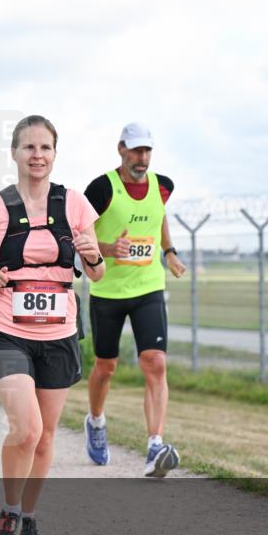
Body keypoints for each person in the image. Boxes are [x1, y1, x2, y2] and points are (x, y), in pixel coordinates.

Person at [0, 115, 105, 535]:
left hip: (60, 333)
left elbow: (97, 273)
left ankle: (29, 517)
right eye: (29, 147)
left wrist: (93, 256)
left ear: (55, 153)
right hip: (8, 331)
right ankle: (8, 513)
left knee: (45, 438)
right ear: (14, 153)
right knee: (27, 429)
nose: (37, 155)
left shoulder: (76, 204)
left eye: (45, 147)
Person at [83, 122, 187, 477]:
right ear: (121, 149)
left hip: (148, 287)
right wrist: (109, 248)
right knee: (105, 367)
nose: (142, 158)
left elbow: (159, 217)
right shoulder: (101, 189)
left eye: (147, 151)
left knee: (155, 362)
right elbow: (80, 232)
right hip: (108, 291)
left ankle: (155, 446)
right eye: (136, 151)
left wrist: (169, 252)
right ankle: (96, 421)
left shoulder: (162, 186)